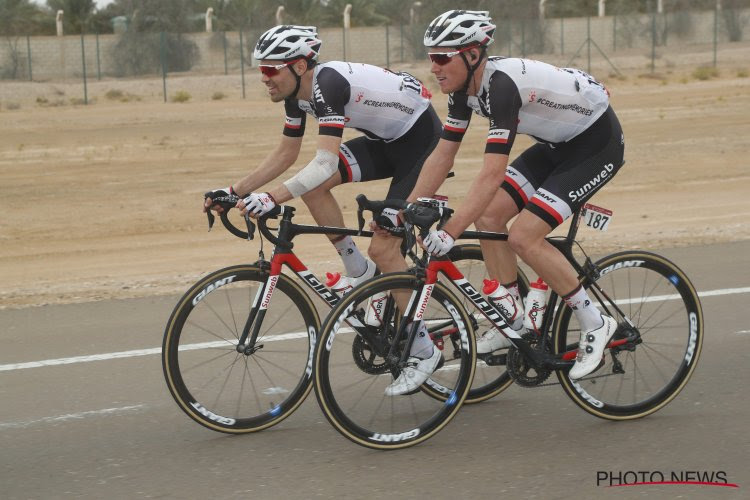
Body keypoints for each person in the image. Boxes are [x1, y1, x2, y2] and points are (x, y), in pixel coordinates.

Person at [203, 26, 443, 394]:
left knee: (384, 248)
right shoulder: (296, 95)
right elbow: (286, 154)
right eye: (260, 70)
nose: (263, 78)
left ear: (299, 65)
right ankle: (358, 272)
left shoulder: (328, 85)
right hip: (386, 141)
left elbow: (325, 162)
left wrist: (272, 198)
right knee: (312, 188)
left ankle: (424, 350)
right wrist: (233, 190)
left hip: (422, 143)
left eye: (270, 70)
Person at [409, 10, 625, 382]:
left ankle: (596, 321)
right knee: (490, 217)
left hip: (595, 145)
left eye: (442, 57)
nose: (434, 67)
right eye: (431, 57)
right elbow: (444, 153)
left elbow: (492, 172)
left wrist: (449, 232)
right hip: (556, 145)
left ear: (473, 54)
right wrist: (408, 208)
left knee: (524, 235)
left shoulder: (502, 87)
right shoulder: (463, 91)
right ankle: (513, 316)